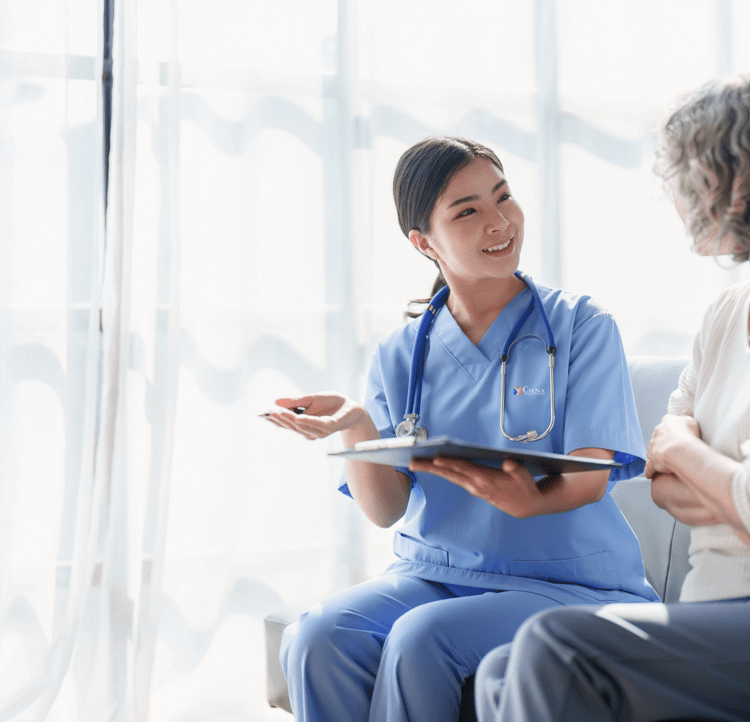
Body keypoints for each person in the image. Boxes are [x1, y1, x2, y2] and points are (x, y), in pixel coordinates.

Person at [475, 73, 750, 722]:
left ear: (741, 180)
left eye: (691, 179)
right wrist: (741, 499)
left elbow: (747, 499)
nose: (680, 199)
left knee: (557, 648)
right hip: (722, 620)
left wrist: (682, 447)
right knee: (501, 667)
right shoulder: (726, 313)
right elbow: (666, 489)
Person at [266, 136, 660, 722]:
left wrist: (530, 501)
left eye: (503, 198)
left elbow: (591, 476)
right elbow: (386, 511)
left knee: (424, 639)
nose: (500, 222)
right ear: (424, 243)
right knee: (315, 636)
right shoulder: (401, 353)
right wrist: (357, 427)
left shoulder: (582, 326)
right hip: (434, 573)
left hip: (574, 584)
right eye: (468, 210)